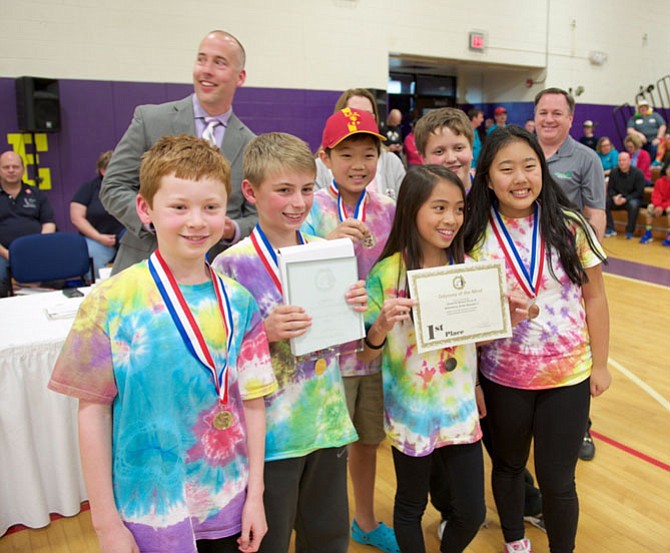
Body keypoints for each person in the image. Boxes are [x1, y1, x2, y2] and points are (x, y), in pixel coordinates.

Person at [48, 134, 278, 553]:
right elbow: (92, 414)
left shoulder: (240, 303)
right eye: (178, 207)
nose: (196, 221)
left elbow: (255, 403)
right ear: (145, 209)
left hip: (228, 506)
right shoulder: (110, 303)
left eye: (210, 207)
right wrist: (105, 525)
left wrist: (256, 498)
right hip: (148, 514)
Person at [211, 132, 368, 553]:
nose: (298, 202)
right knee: (270, 541)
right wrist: (264, 332)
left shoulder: (327, 251)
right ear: (250, 191)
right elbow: (215, 358)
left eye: (306, 189)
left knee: (328, 538)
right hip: (271, 437)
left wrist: (356, 310)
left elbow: (348, 346)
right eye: (283, 191)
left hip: (327, 424)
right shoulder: (230, 265)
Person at [464, 126, 611, 553]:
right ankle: (515, 543)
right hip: (502, 375)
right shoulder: (473, 232)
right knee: (508, 467)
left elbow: (596, 296)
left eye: (529, 166)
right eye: (506, 168)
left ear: (542, 170)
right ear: (488, 178)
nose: (520, 178)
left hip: (568, 375)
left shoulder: (570, 226)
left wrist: (599, 364)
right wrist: (473, 381)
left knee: (559, 480)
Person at [414, 109, 545, 537]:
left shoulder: (492, 197)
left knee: (495, 435)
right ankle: (450, 506)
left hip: (494, 345)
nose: (451, 157)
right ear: (421, 154)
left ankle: (525, 500)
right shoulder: (421, 203)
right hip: (441, 345)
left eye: (459, 147)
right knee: (442, 435)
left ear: (473, 152)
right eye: (439, 149)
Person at [302, 108, 399, 553]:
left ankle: (363, 518)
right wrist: (326, 244)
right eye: (347, 154)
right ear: (325, 157)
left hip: (374, 348)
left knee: (367, 439)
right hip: (322, 352)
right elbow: (289, 258)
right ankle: (318, 527)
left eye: (368, 153)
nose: (358, 164)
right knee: (324, 446)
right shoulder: (311, 207)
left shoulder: (390, 210)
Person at [101, 30, 257, 274]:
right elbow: (113, 187)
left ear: (240, 76)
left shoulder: (250, 145)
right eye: (201, 59)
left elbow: (257, 216)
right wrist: (156, 220)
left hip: (214, 275)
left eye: (219, 62)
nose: (206, 70)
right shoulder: (150, 120)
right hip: (143, 269)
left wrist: (232, 229)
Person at [534, 87, 606, 241]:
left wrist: (593, 256)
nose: (548, 119)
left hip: (564, 248)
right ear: (535, 117)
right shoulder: (518, 152)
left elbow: (596, 214)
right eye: (543, 113)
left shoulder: (588, 159)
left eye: (557, 113)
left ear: (570, 119)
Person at [315, 88, 405, 200]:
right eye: (353, 113)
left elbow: (404, 208)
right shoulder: (318, 168)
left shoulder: (392, 163)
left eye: (368, 115)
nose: (360, 119)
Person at [0, 151, 56, 297]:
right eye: (6, 167)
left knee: (58, 274)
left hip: (36, 250)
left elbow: (49, 223)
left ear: (23, 170)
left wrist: (39, 248)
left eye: (15, 167)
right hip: (3, 253)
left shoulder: (37, 194)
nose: (11, 170)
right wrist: (9, 254)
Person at [70, 151, 124, 279]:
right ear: (103, 171)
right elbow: (76, 218)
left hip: (126, 237)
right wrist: (99, 237)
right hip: (97, 237)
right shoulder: (88, 188)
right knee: (92, 256)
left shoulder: (132, 187)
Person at [604, 152, 645, 239]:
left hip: (631, 199)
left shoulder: (638, 173)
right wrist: (614, 197)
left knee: (634, 205)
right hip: (617, 199)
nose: (621, 162)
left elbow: (639, 192)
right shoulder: (614, 172)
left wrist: (626, 199)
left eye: (624, 160)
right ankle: (610, 228)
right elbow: (610, 189)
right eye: (619, 160)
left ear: (629, 161)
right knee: (604, 202)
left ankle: (630, 231)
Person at [639, 158, 670, 245]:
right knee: (650, 207)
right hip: (659, 205)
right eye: (669, 168)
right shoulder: (659, 181)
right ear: (666, 170)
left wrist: (662, 206)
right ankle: (648, 232)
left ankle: (669, 234)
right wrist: (658, 205)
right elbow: (655, 195)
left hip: (667, 206)